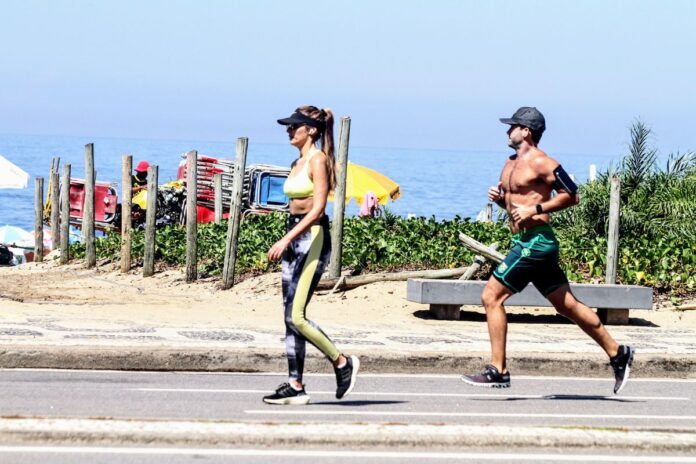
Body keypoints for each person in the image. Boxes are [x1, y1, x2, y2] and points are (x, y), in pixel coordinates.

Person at [461, 107, 634, 394]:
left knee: (491, 296)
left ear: (526, 131)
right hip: (522, 241)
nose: (507, 131)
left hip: (536, 244)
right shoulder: (509, 163)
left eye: (512, 126)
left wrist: (537, 207)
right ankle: (618, 354)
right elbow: (516, 207)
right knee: (566, 305)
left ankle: (498, 370)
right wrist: (502, 200)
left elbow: (572, 194)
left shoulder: (543, 162)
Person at [263, 106, 359, 405]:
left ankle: (342, 362)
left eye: (295, 126)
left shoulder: (317, 160)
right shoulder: (298, 161)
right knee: (289, 318)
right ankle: (295, 385)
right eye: (288, 126)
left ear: (311, 130)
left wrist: (286, 238)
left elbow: (318, 209)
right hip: (294, 235)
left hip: (313, 237)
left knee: (297, 316)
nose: (289, 131)